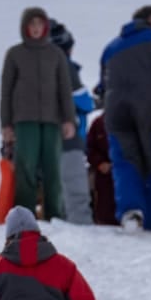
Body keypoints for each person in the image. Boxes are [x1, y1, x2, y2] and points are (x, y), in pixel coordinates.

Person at [98, 4, 151, 231]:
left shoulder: (111, 47)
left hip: (115, 110)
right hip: (149, 106)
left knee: (125, 161)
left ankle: (131, 213)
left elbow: (101, 87)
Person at [0, 7, 76, 220]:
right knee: (26, 168)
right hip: (24, 121)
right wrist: (6, 124)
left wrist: (68, 119)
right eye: (31, 24)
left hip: (52, 121)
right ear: (25, 27)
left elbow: (64, 89)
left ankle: (55, 214)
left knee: (52, 168)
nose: (35, 29)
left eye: (39, 24)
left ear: (45, 27)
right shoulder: (15, 54)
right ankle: (25, 215)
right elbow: (6, 91)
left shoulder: (56, 54)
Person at [49, 18, 99, 225]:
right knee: (76, 190)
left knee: (57, 190)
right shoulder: (64, 65)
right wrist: (99, 101)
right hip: (70, 138)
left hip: (47, 137)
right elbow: (83, 102)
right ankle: (81, 230)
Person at [84, 114, 119, 226]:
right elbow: (90, 149)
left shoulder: (128, 120)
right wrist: (100, 163)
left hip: (124, 171)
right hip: (103, 174)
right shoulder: (98, 123)